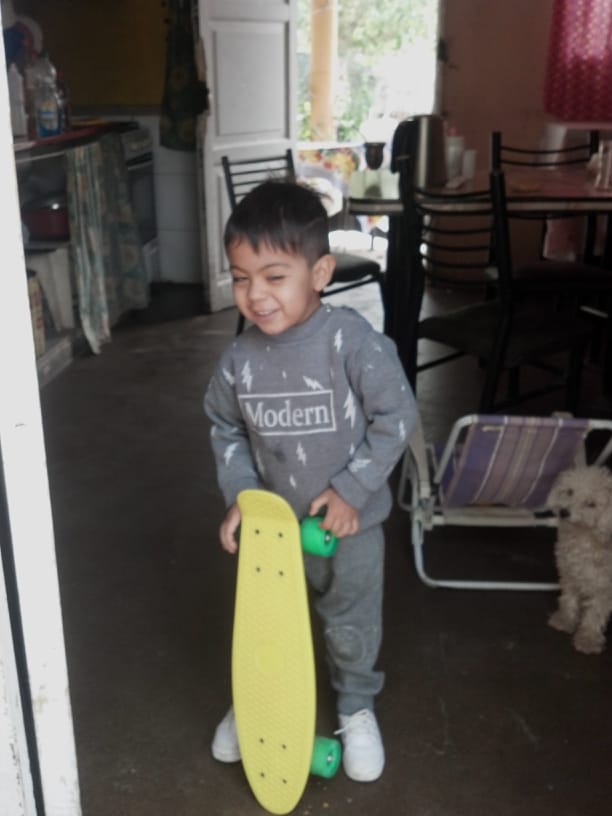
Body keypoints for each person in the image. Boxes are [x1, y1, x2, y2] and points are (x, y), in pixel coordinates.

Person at [204, 179, 416, 783]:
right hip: (272, 534)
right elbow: (225, 426)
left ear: (320, 272)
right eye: (241, 278)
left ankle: (355, 705)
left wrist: (352, 490)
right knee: (267, 626)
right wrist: (242, 497)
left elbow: (397, 416)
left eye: (274, 276)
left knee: (350, 622)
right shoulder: (238, 361)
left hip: (348, 529)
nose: (256, 294)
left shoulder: (352, 343)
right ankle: (259, 704)